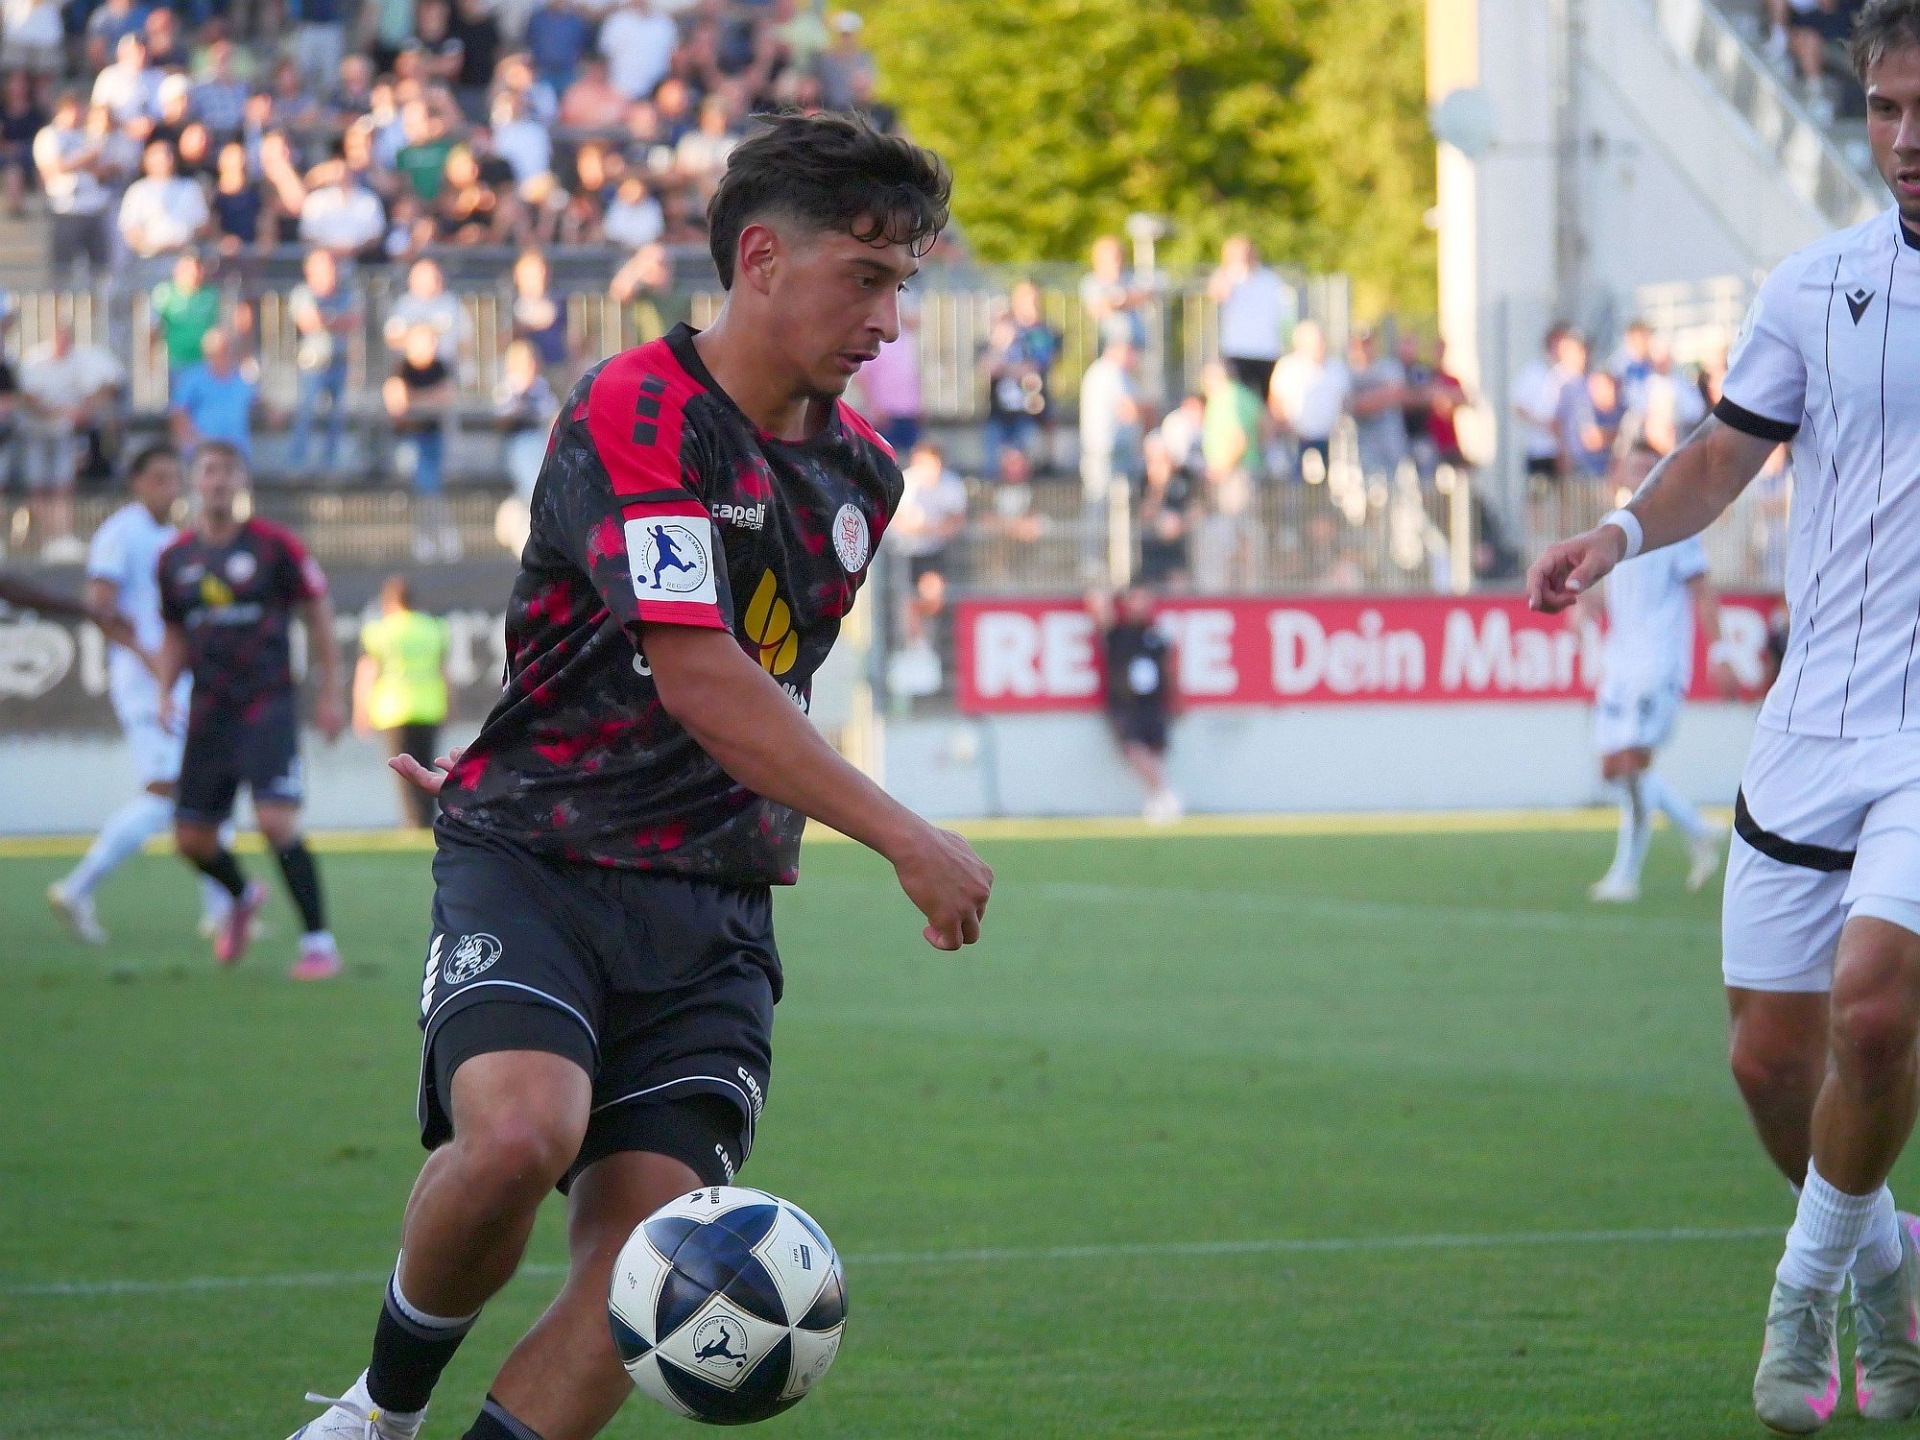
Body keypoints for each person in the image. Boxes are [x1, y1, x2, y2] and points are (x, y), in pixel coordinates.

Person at [284, 112, 991, 1440]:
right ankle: (378, 1414)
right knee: (518, 1134)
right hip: (540, 862)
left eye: (903, 284)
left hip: (713, 906)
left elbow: (757, 681)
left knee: (646, 1263)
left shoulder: (864, 474)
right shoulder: (639, 408)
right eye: (868, 277)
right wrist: (904, 833)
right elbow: (701, 676)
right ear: (762, 258)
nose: (889, 322)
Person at [1526, 9, 1920, 1428]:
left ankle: (1800, 1299)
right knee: (1768, 1059)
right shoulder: (1816, 285)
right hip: (1812, 721)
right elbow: (1721, 455)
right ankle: (1889, 1272)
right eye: (1885, 108)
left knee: (1873, 1005)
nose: (1907, 138)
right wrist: (1618, 533)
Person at [154, 442, 345, 980]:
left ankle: (319, 944)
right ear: (195, 481)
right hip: (208, 710)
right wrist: (164, 691)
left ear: (242, 482)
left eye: (227, 471)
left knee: (274, 819)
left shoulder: (274, 546)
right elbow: (174, 631)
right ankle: (241, 896)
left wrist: (331, 692)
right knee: (191, 840)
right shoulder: (175, 560)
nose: (217, 481)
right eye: (208, 471)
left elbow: (318, 612)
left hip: (267, 703)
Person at [46, 446, 230, 945]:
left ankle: (223, 910)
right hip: (144, 683)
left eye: (175, 478)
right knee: (164, 791)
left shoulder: (175, 538)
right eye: (159, 478)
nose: (170, 487)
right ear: (137, 482)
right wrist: (150, 660)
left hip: (176, 680)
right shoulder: (119, 533)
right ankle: (77, 888)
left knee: (210, 784)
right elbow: (101, 608)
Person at [1579, 536, 1736, 903]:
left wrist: (1720, 652)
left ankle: (1625, 876)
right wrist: (1584, 602)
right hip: (1619, 665)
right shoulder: (1612, 530)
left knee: (1633, 762)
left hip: (1657, 663)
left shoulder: (1677, 529)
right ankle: (1697, 829)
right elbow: (1616, 596)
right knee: (1612, 769)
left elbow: (1702, 590)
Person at [20, 321, 123, 563]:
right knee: (39, 486)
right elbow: (30, 399)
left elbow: (109, 383)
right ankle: (45, 538)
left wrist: (85, 409)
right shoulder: (35, 361)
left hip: (65, 435)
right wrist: (62, 413)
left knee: (62, 485)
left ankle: (61, 537)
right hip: (36, 434)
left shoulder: (83, 359)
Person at [354, 575, 452, 830]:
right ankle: (428, 820)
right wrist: (448, 705)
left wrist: (360, 712)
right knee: (427, 767)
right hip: (429, 707)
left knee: (404, 771)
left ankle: (413, 822)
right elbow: (444, 672)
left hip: (393, 710)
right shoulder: (432, 628)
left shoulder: (379, 631)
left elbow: (367, 673)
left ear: (388, 602)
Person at [1091, 586, 1181, 822]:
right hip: (1126, 704)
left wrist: (1175, 698)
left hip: (1153, 704)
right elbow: (1097, 602)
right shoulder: (1118, 633)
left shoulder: (1155, 635)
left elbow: (1168, 669)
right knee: (1133, 748)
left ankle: (1156, 800)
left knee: (1155, 751)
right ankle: (1164, 793)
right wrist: (1112, 588)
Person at [384, 322, 458, 562]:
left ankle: (434, 535)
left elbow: (446, 397)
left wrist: (416, 398)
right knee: (426, 483)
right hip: (409, 439)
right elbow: (397, 404)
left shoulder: (439, 367)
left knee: (431, 485)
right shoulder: (401, 369)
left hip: (433, 436)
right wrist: (427, 398)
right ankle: (436, 534)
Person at [289, 247, 361, 476]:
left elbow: (354, 321)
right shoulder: (303, 293)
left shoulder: (347, 293)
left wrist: (326, 320)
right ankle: (297, 463)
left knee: (337, 416)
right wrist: (336, 321)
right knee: (306, 413)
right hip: (313, 363)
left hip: (340, 361)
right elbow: (309, 323)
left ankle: (331, 464)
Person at [1078, 331, 1143, 582]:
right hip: (1106, 455)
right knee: (1102, 510)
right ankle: (1099, 567)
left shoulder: (1110, 373)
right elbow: (1129, 410)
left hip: (1112, 454)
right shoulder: (1108, 373)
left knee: (1115, 512)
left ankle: (1118, 567)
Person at [1207, 235, 1290, 400]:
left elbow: (1285, 311)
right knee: (1240, 398)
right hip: (1237, 349)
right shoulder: (1226, 277)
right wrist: (1232, 271)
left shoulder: (1270, 280)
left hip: (1266, 350)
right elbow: (1217, 294)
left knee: (1264, 399)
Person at [1268, 318, 1348, 483]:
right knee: (1296, 484)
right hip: (1296, 438)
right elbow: (1275, 403)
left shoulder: (1336, 368)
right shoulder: (1288, 367)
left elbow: (1346, 402)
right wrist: (1286, 427)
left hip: (1329, 439)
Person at [170, 327, 259, 458]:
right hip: (203, 453)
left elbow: (256, 403)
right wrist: (192, 443)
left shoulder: (241, 379)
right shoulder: (192, 378)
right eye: (217, 353)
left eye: (226, 350)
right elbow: (178, 413)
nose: (222, 356)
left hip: (237, 453)